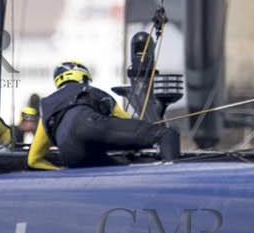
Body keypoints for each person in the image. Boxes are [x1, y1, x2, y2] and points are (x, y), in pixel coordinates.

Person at [28, 61, 163, 170]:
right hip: (90, 128)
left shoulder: (47, 107)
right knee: (125, 165)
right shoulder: (94, 92)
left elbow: (33, 160)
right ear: (84, 78)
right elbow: (127, 124)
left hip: (71, 156)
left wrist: (60, 172)